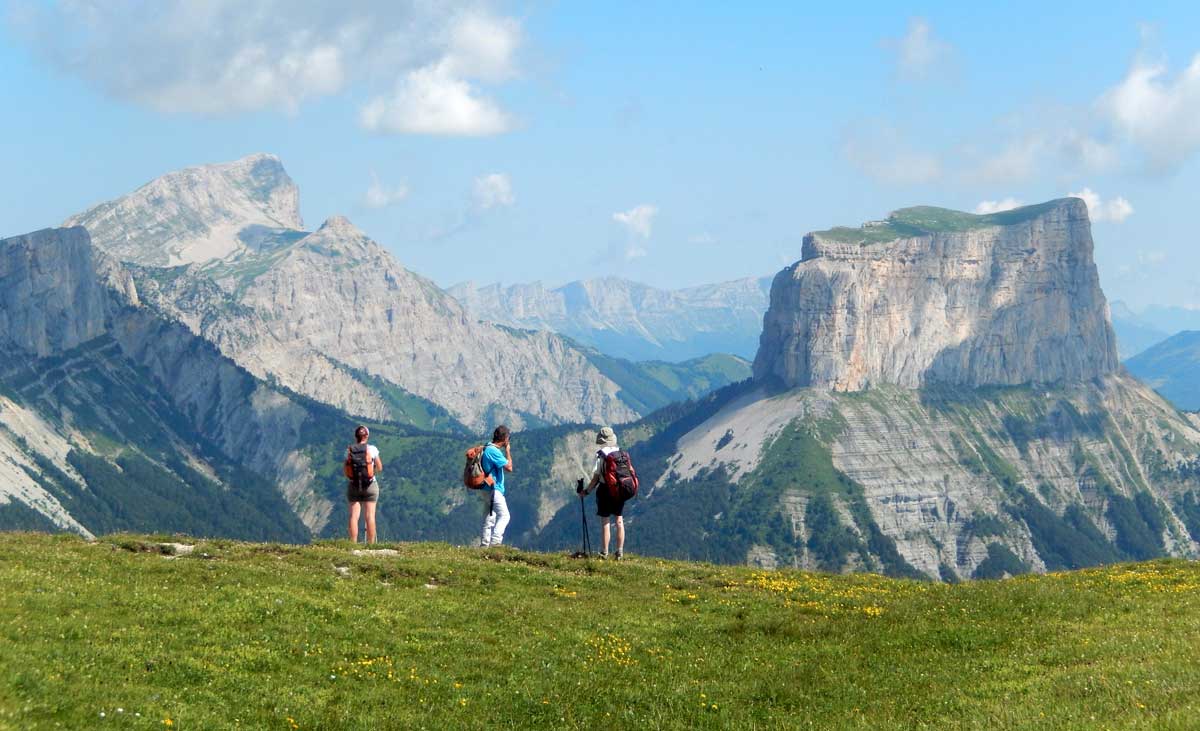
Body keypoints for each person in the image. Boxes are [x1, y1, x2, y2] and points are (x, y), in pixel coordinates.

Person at [579, 426, 626, 560]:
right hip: (619, 490)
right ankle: (619, 552)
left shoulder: (601, 455)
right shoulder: (621, 453)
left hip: (605, 490)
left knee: (605, 522)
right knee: (619, 520)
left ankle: (604, 552)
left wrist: (586, 491)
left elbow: (595, 479)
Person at [345, 425, 383, 543]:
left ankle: (353, 543)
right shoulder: (372, 449)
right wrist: (371, 472)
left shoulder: (349, 450)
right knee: (370, 516)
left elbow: (346, 471)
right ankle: (371, 544)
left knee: (353, 516)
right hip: (370, 485)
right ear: (367, 435)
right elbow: (380, 467)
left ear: (356, 436)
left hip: (354, 485)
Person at [480, 425, 513, 547]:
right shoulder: (493, 451)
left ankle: (484, 544)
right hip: (494, 489)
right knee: (505, 515)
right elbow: (509, 467)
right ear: (505, 438)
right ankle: (495, 542)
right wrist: (508, 450)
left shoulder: (486, 447)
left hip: (485, 488)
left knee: (489, 517)